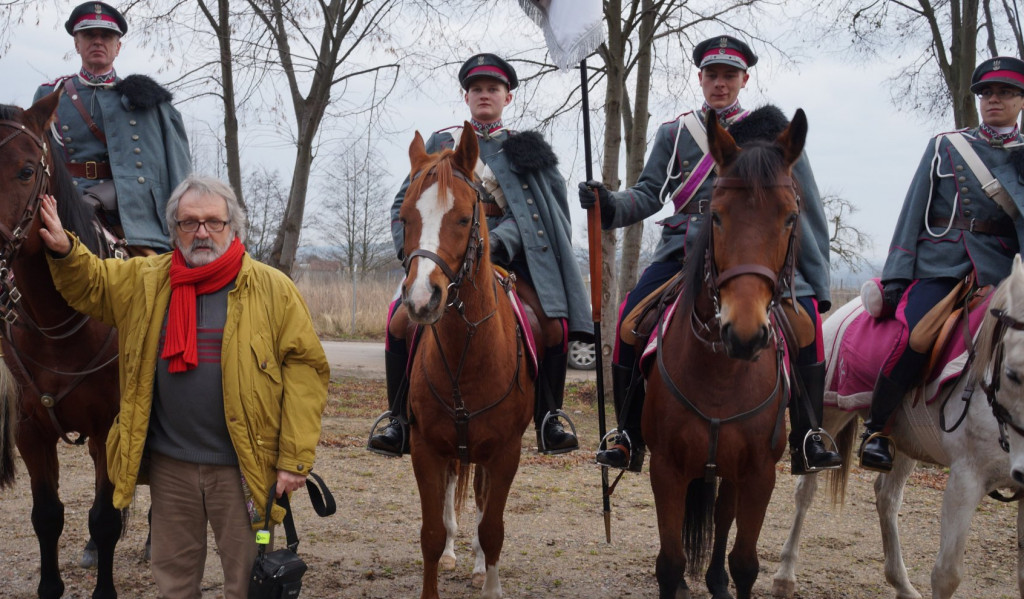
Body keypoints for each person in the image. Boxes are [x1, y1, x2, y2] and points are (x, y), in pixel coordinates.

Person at [38, 175, 330, 599]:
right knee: (173, 591)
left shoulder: (271, 288)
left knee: (247, 591)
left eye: (213, 222)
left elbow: (307, 370)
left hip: (245, 472)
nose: (202, 232)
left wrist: (294, 458)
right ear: (174, 228)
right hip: (172, 469)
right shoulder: (147, 281)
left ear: (232, 227)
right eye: (190, 222)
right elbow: (92, 284)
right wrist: (66, 249)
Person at [579, 35, 840, 475]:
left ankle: (807, 436)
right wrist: (608, 203)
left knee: (807, 321)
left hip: (751, 253)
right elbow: (648, 194)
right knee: (628, 320)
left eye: (729, 76)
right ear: (700, 78)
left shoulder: (773, 134)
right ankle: (627, 435)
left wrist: (816, 282)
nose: (721, 83)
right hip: (683, 250)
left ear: (744, 80)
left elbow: (805, 207)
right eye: (713, 75)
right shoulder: (676, 132)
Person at [369, 53, 592, 457]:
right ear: (466, 96)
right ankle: (398, 419)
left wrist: (494, 243)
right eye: (476, 89)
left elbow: (535, 219)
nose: (484, 95)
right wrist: (414, 254)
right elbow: (405, 203)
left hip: (508, 261)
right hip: (444, 258)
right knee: (398, 322)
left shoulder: (526, 150)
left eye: (493, 89)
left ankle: (549, 417)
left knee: (554, 327)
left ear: (508, 98)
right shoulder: (441, 143)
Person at [858, 56, 1024, 472]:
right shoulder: (946, 146)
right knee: (915, 335)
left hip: (1005, 269)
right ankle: (878, 430)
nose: (994, 100)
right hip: (944, 265)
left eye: (1005, 92)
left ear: (1021, 100)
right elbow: (913, 210)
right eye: (986, 93)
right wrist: (897, 276)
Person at [34, 2, 192, 255]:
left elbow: (180, 171)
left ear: (117, 47)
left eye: (106, 36)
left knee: (158, 274)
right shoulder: (50, 95)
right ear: (77, 44)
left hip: (133, 213)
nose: (98, 41)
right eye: (89, 35)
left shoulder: (150, 102)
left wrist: (184, 224)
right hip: (67, 203)